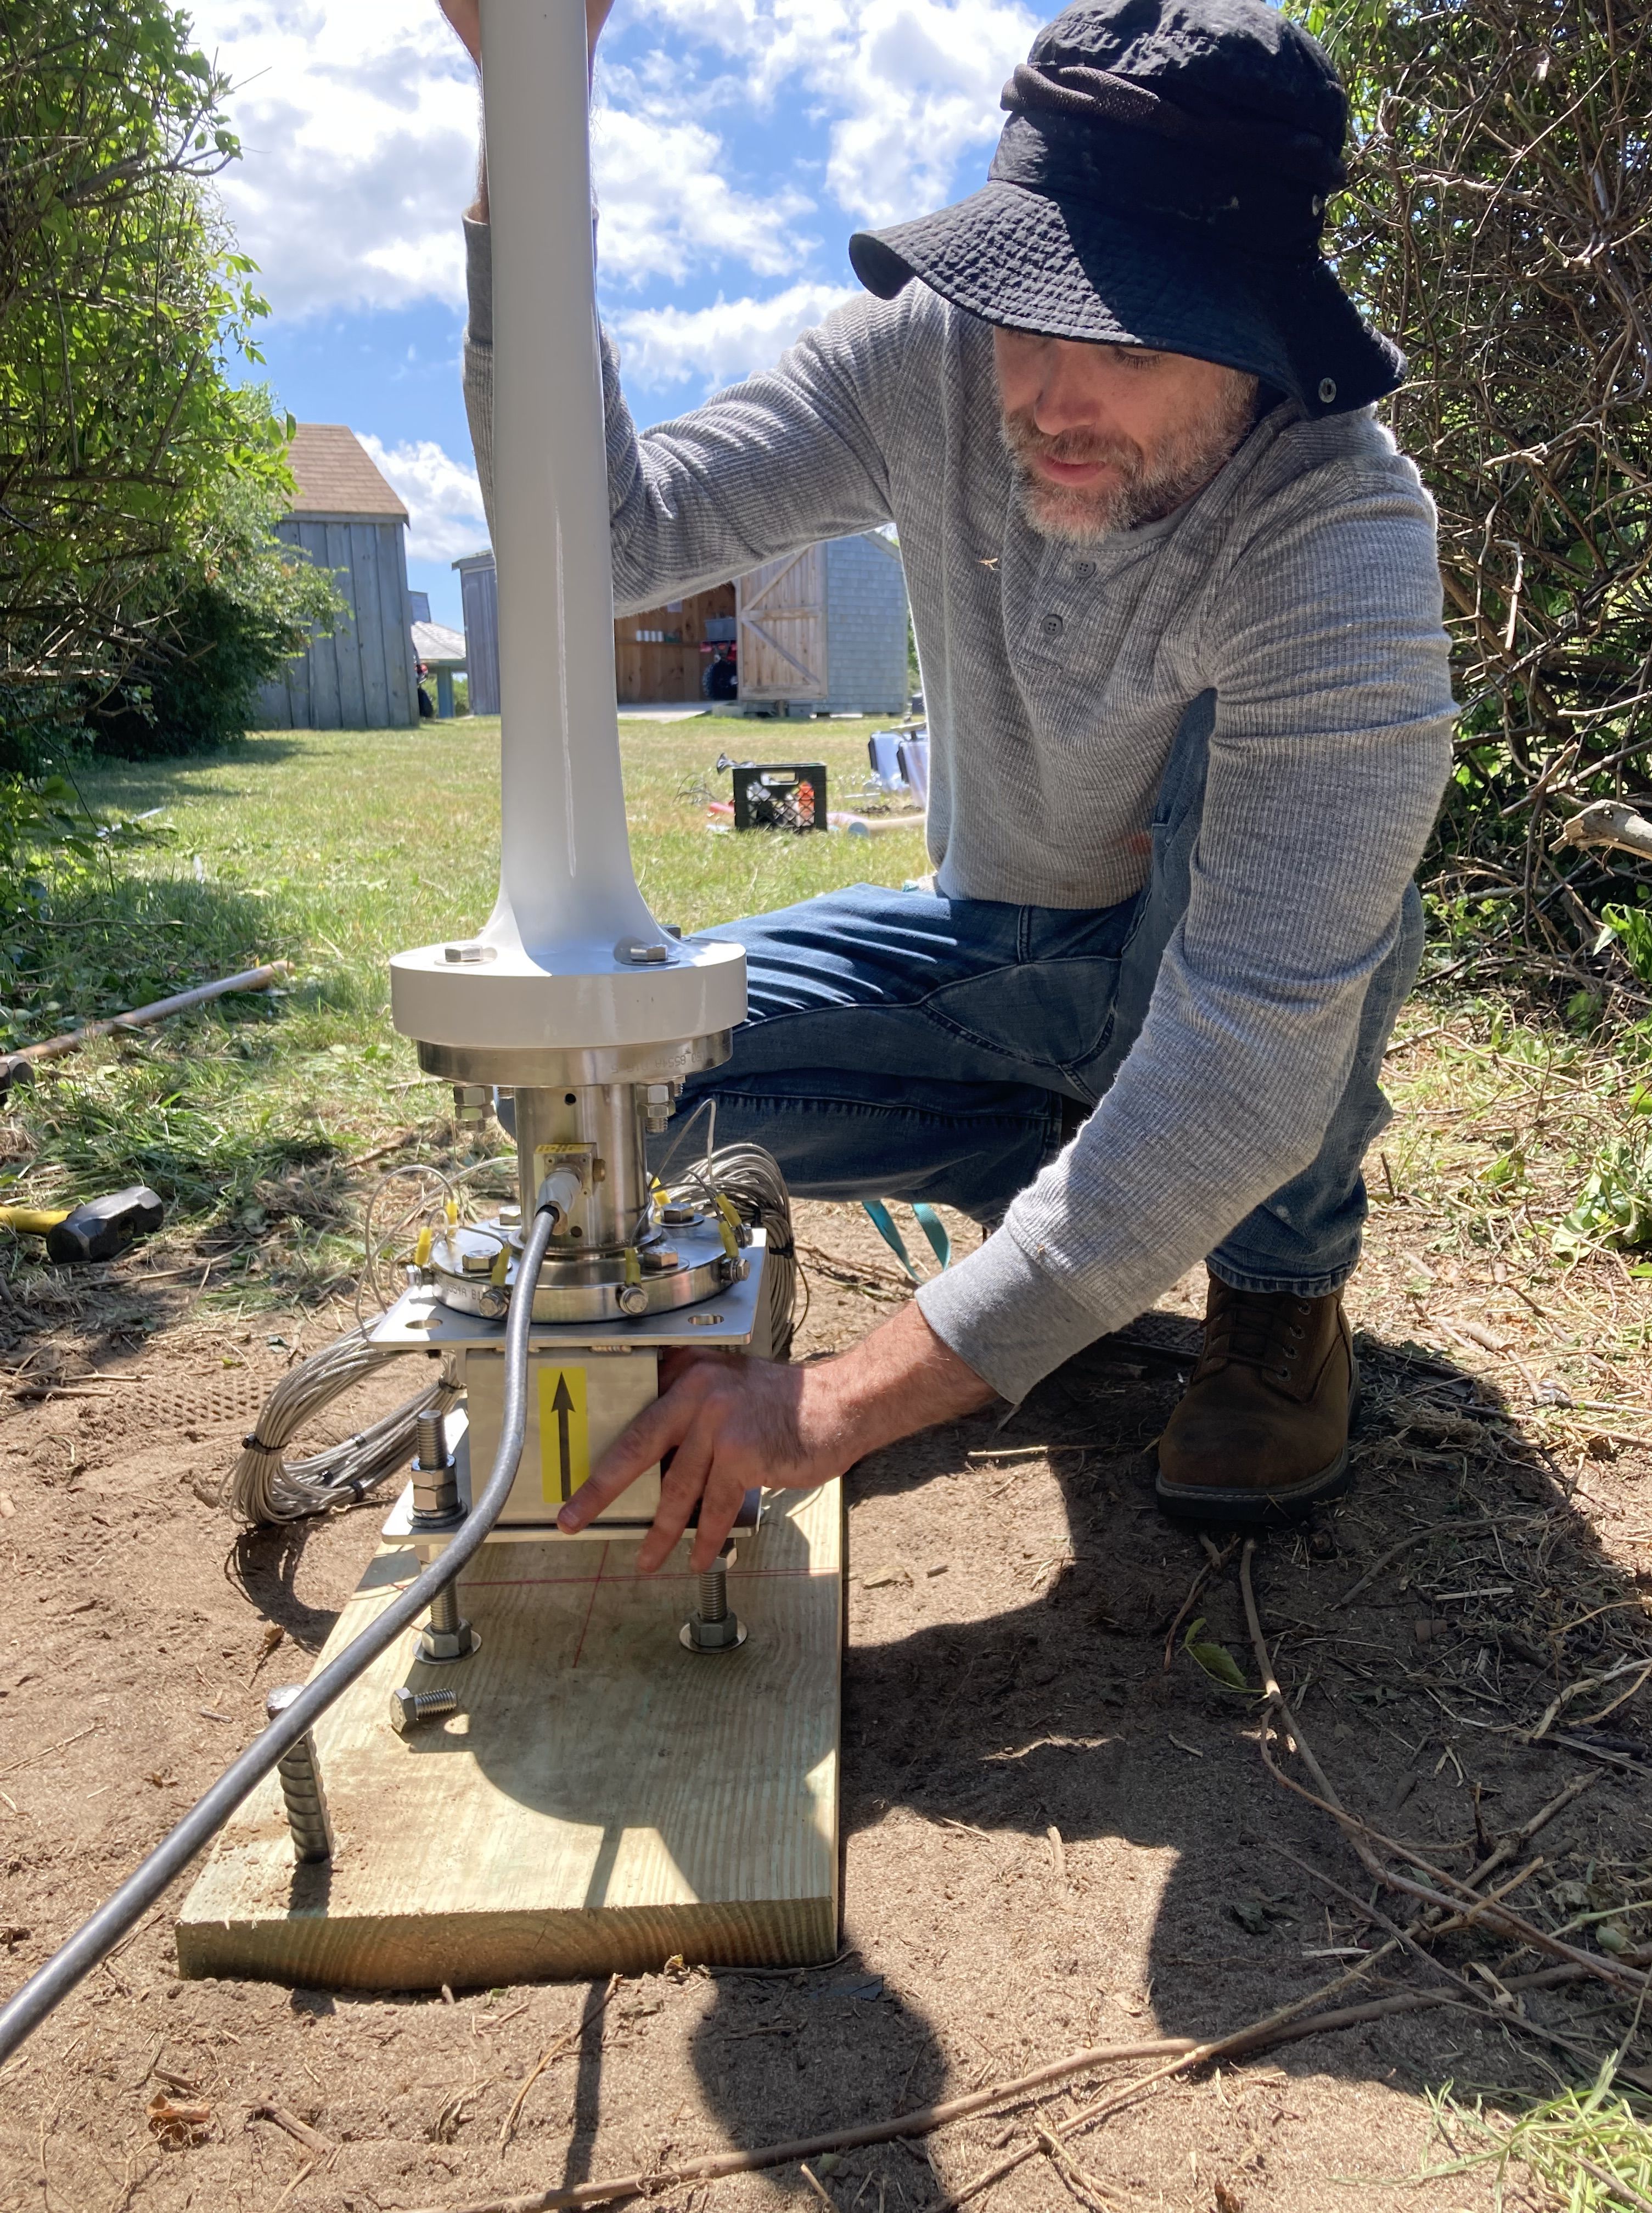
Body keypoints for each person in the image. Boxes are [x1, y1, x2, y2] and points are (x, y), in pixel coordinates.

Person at [439, 0, 1454, 1575]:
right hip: (996, 946)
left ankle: (1273, 1292)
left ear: (1260, 326)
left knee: (1274, 996)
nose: (1046, 393)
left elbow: (1250, 1044)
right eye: (1025, 316)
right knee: (625, 1086)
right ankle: (1083, 1191)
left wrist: (831, 1407)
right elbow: (606, 546)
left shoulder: (1343, 541)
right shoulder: (933, 355)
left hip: (1201, 983)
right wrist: (530, 131)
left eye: (1120, 335)